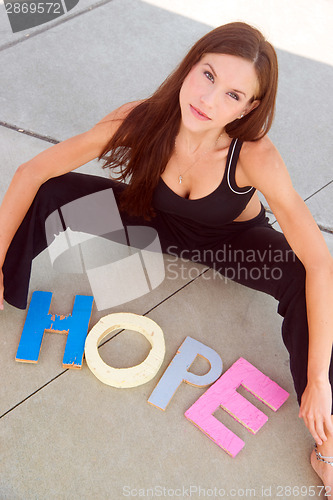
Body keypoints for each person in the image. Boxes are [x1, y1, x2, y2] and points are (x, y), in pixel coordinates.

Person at [1, 21, 332, 486]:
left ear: (250, 106)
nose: (209, 100)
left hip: (231, 245)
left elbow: (320, 262)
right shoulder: (140, 119)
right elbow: (32, 172)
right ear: (191, 65)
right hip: (151, 221)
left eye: (234, 96)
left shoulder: (255, 157)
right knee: (54, 191)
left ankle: (330, 448)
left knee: (305, 282)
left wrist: (318, 379)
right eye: (209, 75)